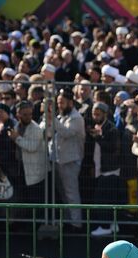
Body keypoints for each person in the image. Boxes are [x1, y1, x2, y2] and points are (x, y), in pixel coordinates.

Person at [43, 88, 86, 231]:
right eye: (58, 103)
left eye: (62, 103)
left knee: (71, 193)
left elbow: (66, 133)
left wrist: (52, 119)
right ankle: (68, 220)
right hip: (57, 159)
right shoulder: (60, 117)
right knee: (62, 192)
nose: (59, 105)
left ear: (71, 103)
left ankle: (76, 223)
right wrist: (49, 120)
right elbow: (50, 133)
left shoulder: (76, 118)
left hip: (70, 160)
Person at [90, 102, 122, 237]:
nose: (95, 117)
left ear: (105, 114)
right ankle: (113, 224)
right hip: (101, 168)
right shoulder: (99, 127)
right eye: (94, 114)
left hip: (109, 170)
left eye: (98, 114)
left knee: (102, 199)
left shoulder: (111, 129)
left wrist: (98, 137)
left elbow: (113, 148)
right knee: (109, 198)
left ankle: (105, 226)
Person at [9, 101, 47, 205]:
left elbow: (32, 147)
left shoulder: (36, 129)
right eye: (25, 114)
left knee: (33, 200)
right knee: (22, 199)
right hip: (21, 168)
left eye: (30, 114)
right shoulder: (17, 126)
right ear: (18, 114)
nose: (28, 117)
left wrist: (17, 138)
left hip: (33, 172)